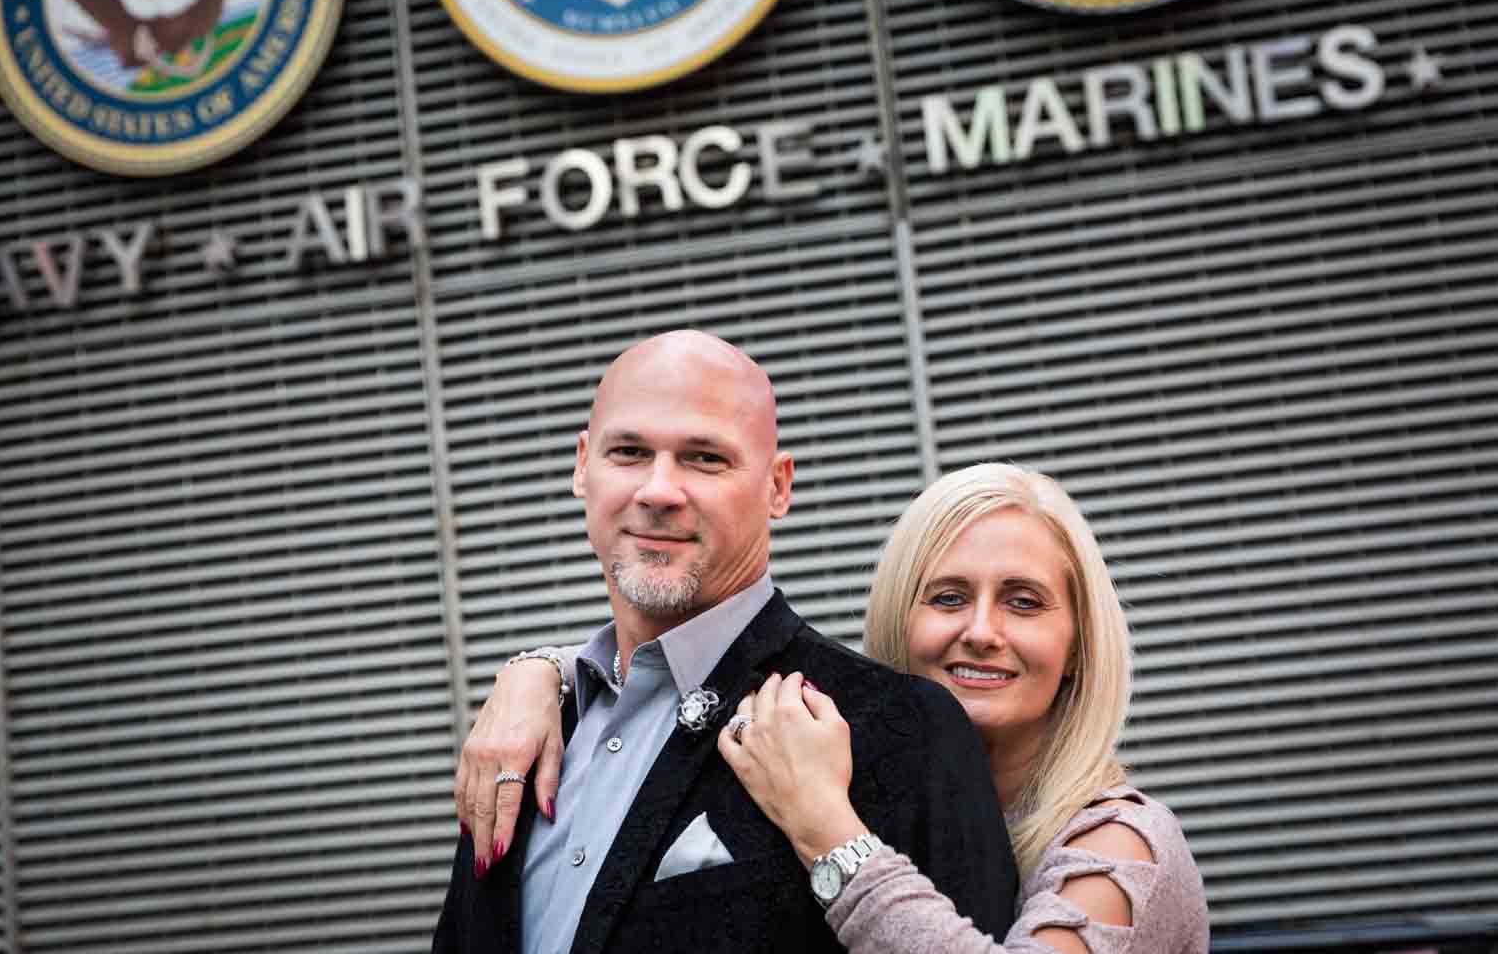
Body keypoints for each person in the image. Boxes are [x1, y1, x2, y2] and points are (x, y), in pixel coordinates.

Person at [459, 462, 1210, 954]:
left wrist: (825, 829)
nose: (981, 632)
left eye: (1023, 602)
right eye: (948, 597)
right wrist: (543, 673)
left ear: (1078, 644)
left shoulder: (1124, 845)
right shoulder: (862, 759)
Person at [433, 332, 1017, 954]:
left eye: (705, 458)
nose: (658, 490)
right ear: (583, 467)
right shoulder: (518, 737)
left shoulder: (899, 726)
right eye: (629, 451)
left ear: (778, 486)